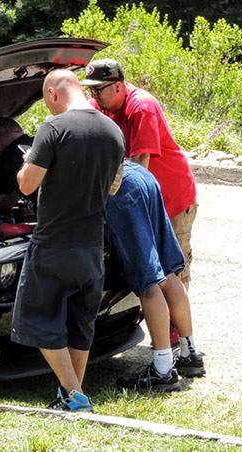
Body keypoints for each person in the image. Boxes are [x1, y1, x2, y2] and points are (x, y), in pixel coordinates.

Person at [14, 70, 124, 412]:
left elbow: (26, 185)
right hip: (92, 244)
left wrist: (25, 163)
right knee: (80, 323)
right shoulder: (113, 130)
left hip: (54, 243)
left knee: (36, 318)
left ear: (52, 93)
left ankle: (75, 394)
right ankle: (71, 396)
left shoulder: (54, 128)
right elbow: (113, 186)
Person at [83, 58, 200, 360]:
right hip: (148, 200)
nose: (94, 97)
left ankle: (177, 342)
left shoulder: (142, 106)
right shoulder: (106, 106)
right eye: (91, 91)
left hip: (170, 199)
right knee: (162, 273)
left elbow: (139, 167)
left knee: (172, 270)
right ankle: (178, 344)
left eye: (99, 90)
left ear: (118, 85)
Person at [105, 160, 205, 391]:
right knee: (167, 272)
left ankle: (162, 370)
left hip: (117, 184)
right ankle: (189, 354)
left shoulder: (54, 129)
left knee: (148, 280)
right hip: (138, 174)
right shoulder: (92, 122)